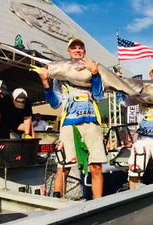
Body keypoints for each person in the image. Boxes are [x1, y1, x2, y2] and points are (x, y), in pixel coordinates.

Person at [33, 38, 107, 199]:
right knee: (63, 167)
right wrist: (45, 82)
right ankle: (59, 205)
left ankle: (98, 205)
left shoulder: (93, 70)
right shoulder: (61, 76)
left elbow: (99, 95)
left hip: (92, 123)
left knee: (96, 167)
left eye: (81, 47)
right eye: (74, 48)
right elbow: (55, 103)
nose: (78, 50)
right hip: (69, 125)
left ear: (84, 52)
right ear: (69, 52)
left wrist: (95, 74)